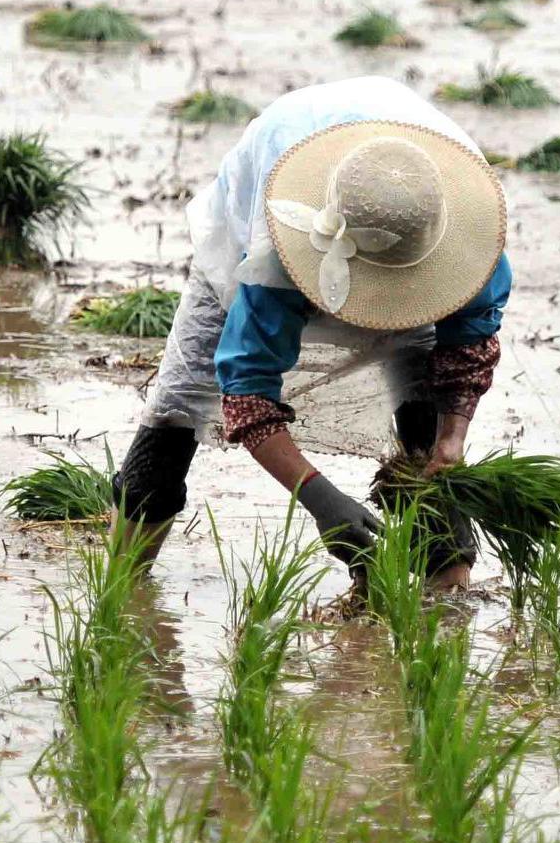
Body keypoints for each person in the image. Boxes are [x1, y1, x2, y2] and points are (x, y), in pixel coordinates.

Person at [112, 76, 511, 587]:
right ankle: (124, 594)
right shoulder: (273, 257)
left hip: (404, 190)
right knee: (177, 409)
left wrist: (451, 441)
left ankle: (445, 607)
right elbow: (247, 390)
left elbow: (467, 347)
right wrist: (322, 501)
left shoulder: (465, 240)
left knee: (427, 423)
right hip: (269, 208)